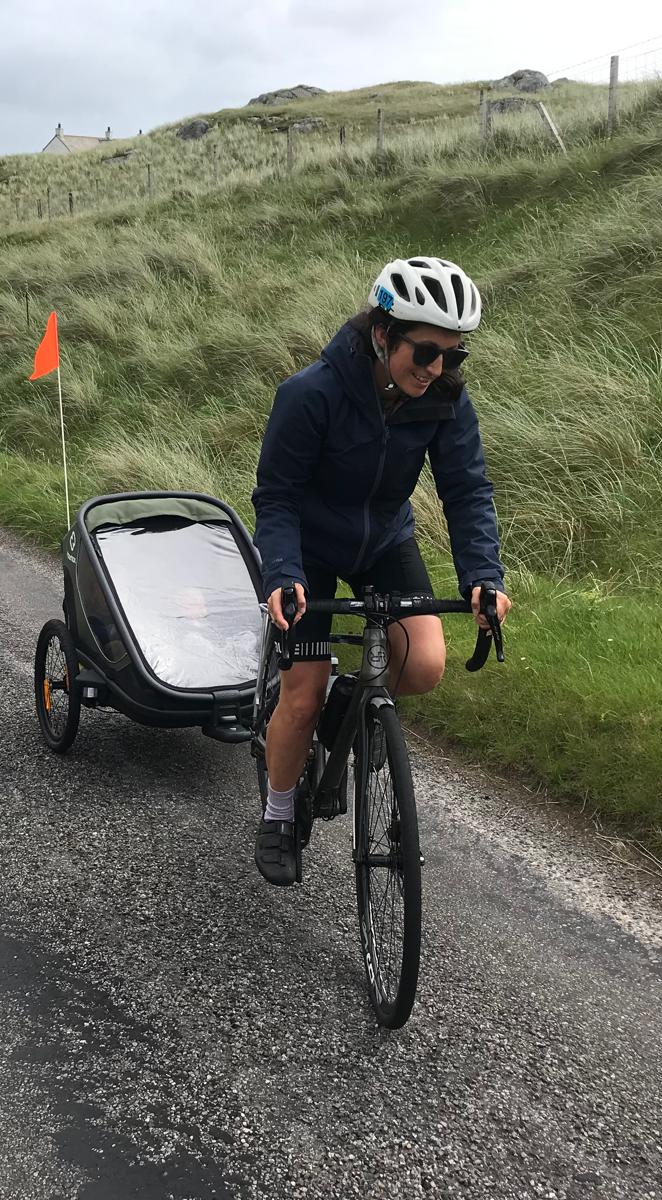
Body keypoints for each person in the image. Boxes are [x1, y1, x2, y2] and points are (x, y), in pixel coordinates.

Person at [251, 257, 512, 886]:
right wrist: (282, 573)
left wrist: (483, 574)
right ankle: (281, 812)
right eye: (425, 352)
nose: (436, 369)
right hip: (310, 549)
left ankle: (353, 700)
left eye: (453, 356)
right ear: (381, 334)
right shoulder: (310, 393)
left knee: (423, 664)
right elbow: (278, 496)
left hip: (384, 543)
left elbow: (467, 490)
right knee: (303, 692)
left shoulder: (445, 400)